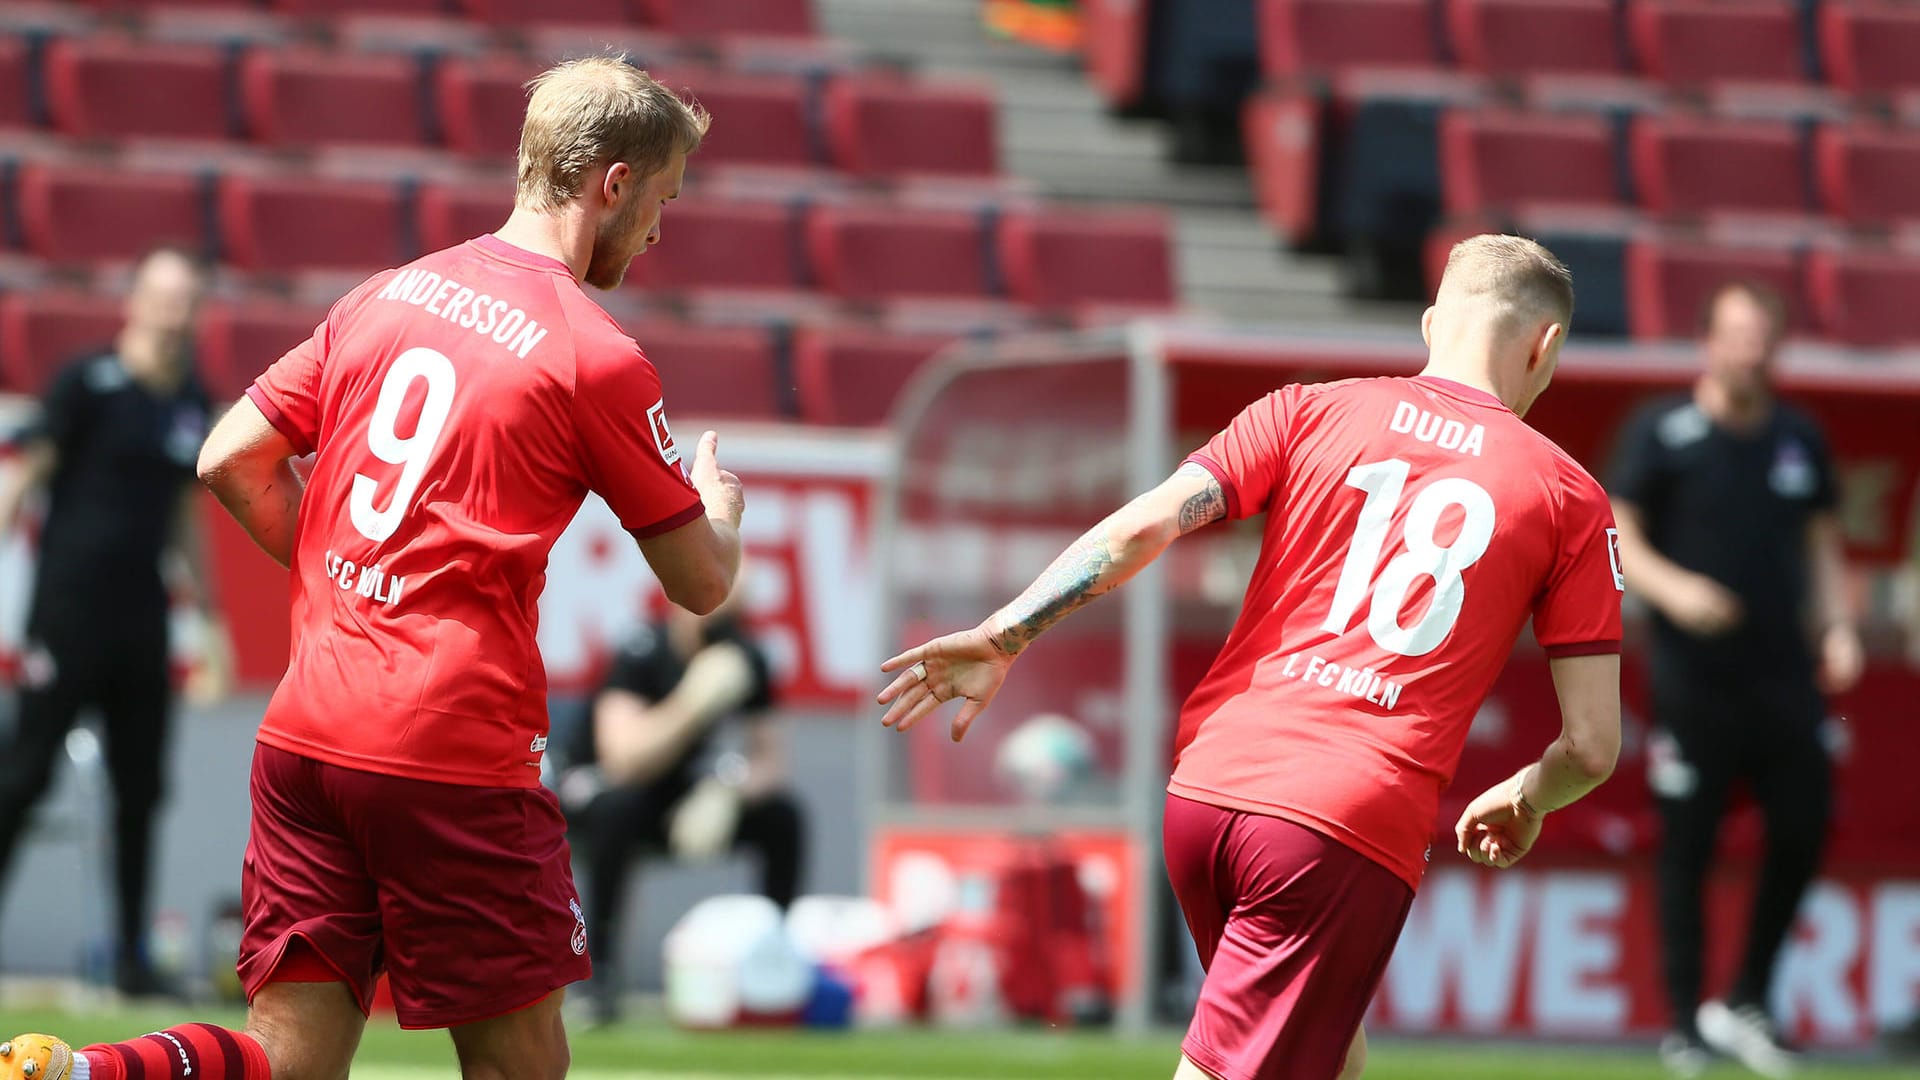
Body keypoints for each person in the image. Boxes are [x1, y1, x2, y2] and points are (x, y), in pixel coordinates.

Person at [2, 57, 745, 1080]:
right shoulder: (594, 354)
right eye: (662, 199)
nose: (659, 230)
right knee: (519, 1064)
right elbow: (702, 585)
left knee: (289, 1062)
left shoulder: (387, 294)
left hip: (309, 730)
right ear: (612, 185)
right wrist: (721, 514)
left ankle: (80, 1073)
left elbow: (229, 458)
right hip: (452, 749)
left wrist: (336, 587)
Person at [878, 235, 1625, 1080]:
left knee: (1328, 1057)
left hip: (1206, 797)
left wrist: (1005, 633)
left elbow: (1141, 528)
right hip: (1336, 827)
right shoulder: (1569, 497)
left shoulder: (1308, 410)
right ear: (1546, 346)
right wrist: (1528, 796)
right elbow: (1592, 747)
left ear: (1430, 325)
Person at [1607, 280, 1861, 1080]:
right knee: (1688, 842)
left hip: (1783, 674)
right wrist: (1674, 590)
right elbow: (1621, 527)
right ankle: (1684, 1021)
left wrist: (1841, 624)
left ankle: (1747, 996)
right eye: (1736, 334)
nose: (1748, 350)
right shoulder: (1662, 433)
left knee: (1803, 824)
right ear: (1708, 342)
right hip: (1694, 678)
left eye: (1762, 336)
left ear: (1776, 346)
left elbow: (1822, 543)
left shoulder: (1798, 439)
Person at [0, 247, 214, 997]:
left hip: (142, 623)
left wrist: (209, 619)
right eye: (163, 296)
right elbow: (26, 480)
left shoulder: (191, 399)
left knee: (140, 790)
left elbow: (188, 520)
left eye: (188, 298)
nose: (174, 312)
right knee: (22, 775)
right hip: (66, 614)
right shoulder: (86, 382)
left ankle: (129, 957)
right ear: (134, 300)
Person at [555, 600, 805, 1025]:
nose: (724, 628)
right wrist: (695, 700)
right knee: (620, 808)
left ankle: (775, 965)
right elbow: (624, 761)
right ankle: (599, 980)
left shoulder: (745, 657)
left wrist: (729, 789)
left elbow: (771, 763)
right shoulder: (641, 649)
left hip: (680, 798)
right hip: (600, 789)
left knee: (783, 817)